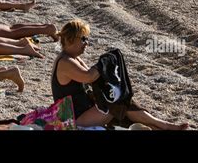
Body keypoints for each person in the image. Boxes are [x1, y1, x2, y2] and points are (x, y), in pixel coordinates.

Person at [51, 19, 190, 129]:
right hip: (73, 118)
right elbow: (88, 76)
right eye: (83, 39)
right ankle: (164, 125)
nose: (86, 43)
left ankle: (160, 125)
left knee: (120, 98)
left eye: (87, 39)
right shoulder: (65, 62)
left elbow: (93, 79)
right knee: (118, 103)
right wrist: (105, 62)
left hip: (81, 112)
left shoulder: (72, 58)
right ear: (70, 39)